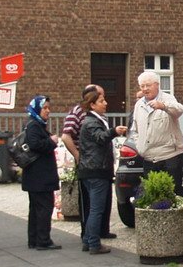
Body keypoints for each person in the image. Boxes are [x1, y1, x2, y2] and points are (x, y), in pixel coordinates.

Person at [61, 83, 117, 245]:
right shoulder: (84, 116)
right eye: (101, 99)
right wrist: (79, 156)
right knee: (93, 207)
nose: (105, 102)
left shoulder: (97, 117)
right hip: (92, 167)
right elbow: (67, 136)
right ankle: (91, 240)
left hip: (96, 166)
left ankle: (96, 235)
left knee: (99, 205)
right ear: (91, 101)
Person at [77, 89, 127, 254]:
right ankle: (94, 243)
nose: (105, 103)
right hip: (95, 171)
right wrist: (114, 132)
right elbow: (100, 137)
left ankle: (87, 241)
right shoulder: (92, 122)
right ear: (92, 105)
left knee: (93, 208)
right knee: (96, 209)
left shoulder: (94, 120)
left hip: (91, 170)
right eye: (101, 101)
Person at [131, 71, 183, 187]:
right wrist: (140, 146)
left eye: (148, 85)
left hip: (169, 157)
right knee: (152, 196)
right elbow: (135, 130)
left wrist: (163, 106)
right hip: (149, 158)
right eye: (142, 86)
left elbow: (179, 110)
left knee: (171, 195)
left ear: (157, 85)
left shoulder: (168, 98)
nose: (145, 89)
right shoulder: (139, 104)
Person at [21, 95, 61, 250]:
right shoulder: (34, 125)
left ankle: (35, 239)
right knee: (44, 208)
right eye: (45, 108)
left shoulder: (37, 124)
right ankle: (43, 240)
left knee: (36, 208)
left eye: (48, 108)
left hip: (37, 176)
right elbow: (35, 144)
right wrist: (52, 141)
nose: (48, 111)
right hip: (39, 176)